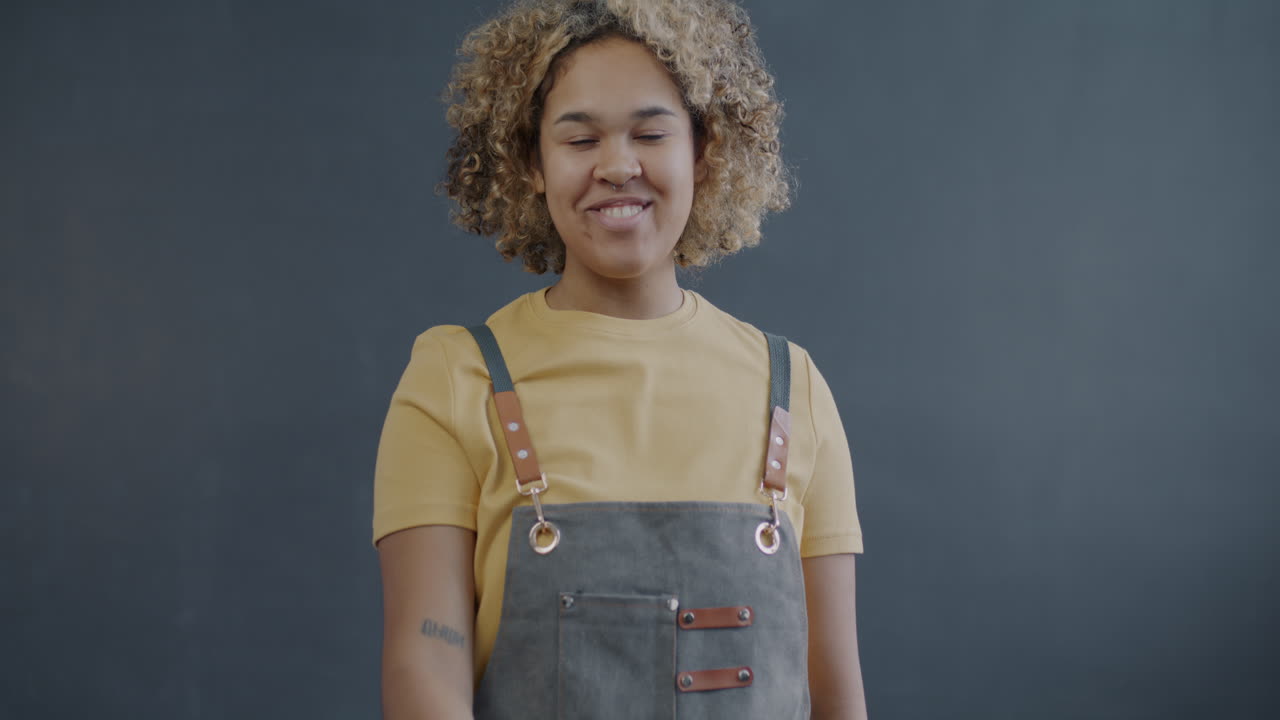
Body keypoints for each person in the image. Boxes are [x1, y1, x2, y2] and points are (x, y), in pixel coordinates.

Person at [372, 0, 866, 717]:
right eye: (579, 140)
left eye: (650, 132)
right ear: (530, 164)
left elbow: (836, 696)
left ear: (703, 151)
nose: (617, 166)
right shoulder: (458, 378)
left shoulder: (793, 388)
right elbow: (425, 666)